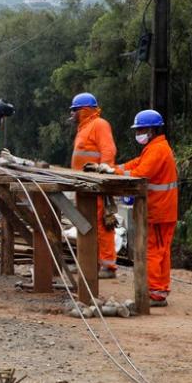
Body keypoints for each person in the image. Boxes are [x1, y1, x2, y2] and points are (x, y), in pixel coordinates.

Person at [85, 109, 177, 307]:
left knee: (154, 252)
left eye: (142, 129)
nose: (139, 134)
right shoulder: (154, 148)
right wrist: (112, 169)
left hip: (160, 211)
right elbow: (136, 164)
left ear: (152, 130)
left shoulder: (158, 150)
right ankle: (158, 290)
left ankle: (154, 293)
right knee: (159, 251)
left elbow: (141, 172)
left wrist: (113, 171)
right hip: (160, 210)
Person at [70, 92, 118, 279]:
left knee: (101, 224)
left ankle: (108, 265)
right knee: (84, 224)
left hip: (96, 186)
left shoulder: (99, 124)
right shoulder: (84, 128)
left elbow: (108, 150)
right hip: (84, 186)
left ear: (83, 110)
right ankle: (88, 262)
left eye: (74, 111)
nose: (72, 114)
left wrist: (104, 175)